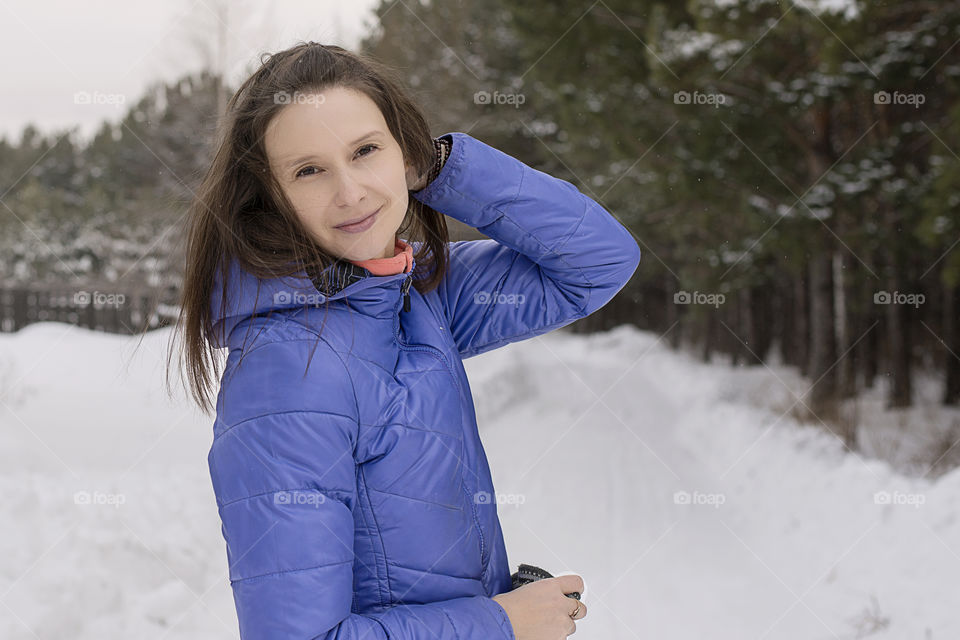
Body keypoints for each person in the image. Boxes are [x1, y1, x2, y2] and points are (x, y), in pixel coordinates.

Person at [169, 42, 640, 639]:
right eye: (308, 170)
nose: (351, 192)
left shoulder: (418, 293)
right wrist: (500, 624)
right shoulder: (288, 371)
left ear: (405, 154)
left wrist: (445, 168)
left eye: (366, 151)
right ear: (271, 197)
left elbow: (597, 261)